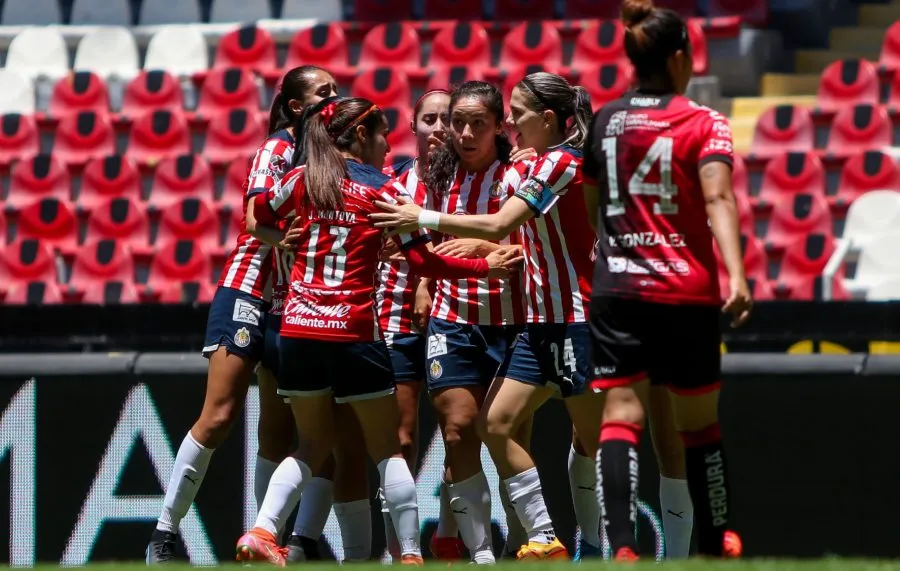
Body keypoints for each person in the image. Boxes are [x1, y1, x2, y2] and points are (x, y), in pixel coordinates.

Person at [234, 97, 523, 566]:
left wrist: (285, 236)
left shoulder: (300, 179)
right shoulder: (385, 193)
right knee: (388, 448)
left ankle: (263, 531)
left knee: (310, 444)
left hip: (298, 330)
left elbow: (259, 214)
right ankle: (409, 554)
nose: (389, 147)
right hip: (353, 331)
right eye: (384, 135)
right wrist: (482, 267)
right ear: (364, 135)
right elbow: (425, 262)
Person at [373, 71, 597, 560]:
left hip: (520, 319)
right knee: (459, 429)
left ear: (500, 126)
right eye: (456, 123)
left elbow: (523, 243)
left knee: (534, 433)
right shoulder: (433, 175)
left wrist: (486, 246)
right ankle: (482, 555)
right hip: (454, 320)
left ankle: (556, 540)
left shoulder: (523, 172)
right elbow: (423, 245)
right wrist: (429, 279)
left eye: (479, 123)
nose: (465, 134)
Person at [145, 64, 337, 565]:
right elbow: (255, 218)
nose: (334, 98)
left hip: (297, 301)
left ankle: (266, 539)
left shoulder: (329, 156)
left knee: (277, 427)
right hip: (251, 290)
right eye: (324, 92)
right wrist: (282, 238)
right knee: (220, 414)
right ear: (297, 107)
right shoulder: (277, 149)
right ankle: (164, 534)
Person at [582, 0, 751, 560]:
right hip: (686, 291)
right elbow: (719, 196)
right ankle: (715, 538)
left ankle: (625, 547)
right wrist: (738, 274)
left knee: (621, 417)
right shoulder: (704, 123)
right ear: (680, 59)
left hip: (619, 289)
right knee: (698, 424)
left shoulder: (604, 121)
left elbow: (591, 203)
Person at [374, 89, 470, 561]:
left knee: (459, 432)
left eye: (445, 118)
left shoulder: (470, 182)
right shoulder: (392, 184)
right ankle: (400, 549)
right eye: (427, 118)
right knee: (403, 436)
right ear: (411, 128)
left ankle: (449, 535)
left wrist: (426, 282)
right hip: (395, 319)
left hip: (457, 317)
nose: (437, 127)